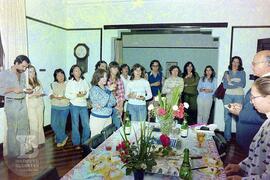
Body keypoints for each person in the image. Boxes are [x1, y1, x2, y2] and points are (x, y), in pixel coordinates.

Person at [225, 76, 270, 180]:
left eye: (254, 97)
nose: (251, 102)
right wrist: (240, 166)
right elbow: (257, 155)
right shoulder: (266, 122)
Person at [228, 50, 270, 153]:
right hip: (248, 142)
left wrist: (240, 113)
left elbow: (265, 114)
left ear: (267, 64)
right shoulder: (261, 80)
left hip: (257, 142)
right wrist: (243, 107)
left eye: (254, 63)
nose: (252, 66)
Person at [0, 55, 32, 158]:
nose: (24, 69)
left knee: (23, 128)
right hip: (11, 103)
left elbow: (22, 88)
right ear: (16, 63)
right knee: (13, 129)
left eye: (26, 67)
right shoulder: (4, 74)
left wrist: (27, 90)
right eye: (23, 66)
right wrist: (13, 89)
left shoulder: (22, 74)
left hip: (22, 102)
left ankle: (21, 151)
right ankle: (13, 155)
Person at [65, 65, 90, 150]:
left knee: (86, 124)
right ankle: (76, 143)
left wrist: (84, 95)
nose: (78, 72)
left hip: (83, 105)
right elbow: (66, 94)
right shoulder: (70, 82)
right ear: (72, 72)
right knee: (75, 124)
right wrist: (76, 95)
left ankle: (85, 141)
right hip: (74, 105)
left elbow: (88, 91)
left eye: (79, 70)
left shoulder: (84, 81)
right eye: (76, 70)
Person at [223, 56, 246, 142]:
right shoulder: (227, 72)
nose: (235, 64)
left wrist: (230, 81)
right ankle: (227, 137)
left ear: (239, 64)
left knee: (238, 117)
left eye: (237, 62)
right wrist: (236, 82)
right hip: (228, 96)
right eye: (234, 62)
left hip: (239, 96)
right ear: (231, 62)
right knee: (227, 116)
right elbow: (225, 85)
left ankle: (239, 138)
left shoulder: (242, 72)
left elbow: (243, 84)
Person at [89, 69, 116, 136]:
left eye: (106, 76)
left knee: (107, 139)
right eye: (102, 77)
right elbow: (102, 103)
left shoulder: (107, 88)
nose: (105, 78)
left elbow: (114, 102)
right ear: (97, 77)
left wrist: (105, 104)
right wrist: (109, 92)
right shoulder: (94, 89)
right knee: (95, 140)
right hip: (97, 118)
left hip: (108, 117)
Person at [49, 69, 69, 148]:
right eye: (58, 75)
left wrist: (65, 96)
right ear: (55, 77)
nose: (61, 77)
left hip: (65, 107)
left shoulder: (68, 84)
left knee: (62, 125)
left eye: (62, 75)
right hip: (55, 106)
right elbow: (50, 95)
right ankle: (64, 137)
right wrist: (53, 96)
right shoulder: (52, 84)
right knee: (53, 124)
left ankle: (59, 139)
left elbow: (70, 94)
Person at [27, 65, 45, 148]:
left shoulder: (38, 81)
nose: (32, 73)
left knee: (40, 123)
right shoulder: (25, 82)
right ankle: (34, 144)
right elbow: (25, 95)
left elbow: (42, 91)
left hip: (40, 103)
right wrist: (34, 94)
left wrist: (40, 94)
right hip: (31, 105)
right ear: (27, 72)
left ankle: (40, 140)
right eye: (30, 71)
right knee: (33, 123)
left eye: (33, 71)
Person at [107, 61, 125, 129]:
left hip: (117, 106)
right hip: (108, 107)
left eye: (117, 68)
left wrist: (121, 107)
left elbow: (121, 95)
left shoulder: (119, 80)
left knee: (117, 126)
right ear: (109, 69)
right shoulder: (106, 80)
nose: (116, 70)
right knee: (108, 128)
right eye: (114, 68)